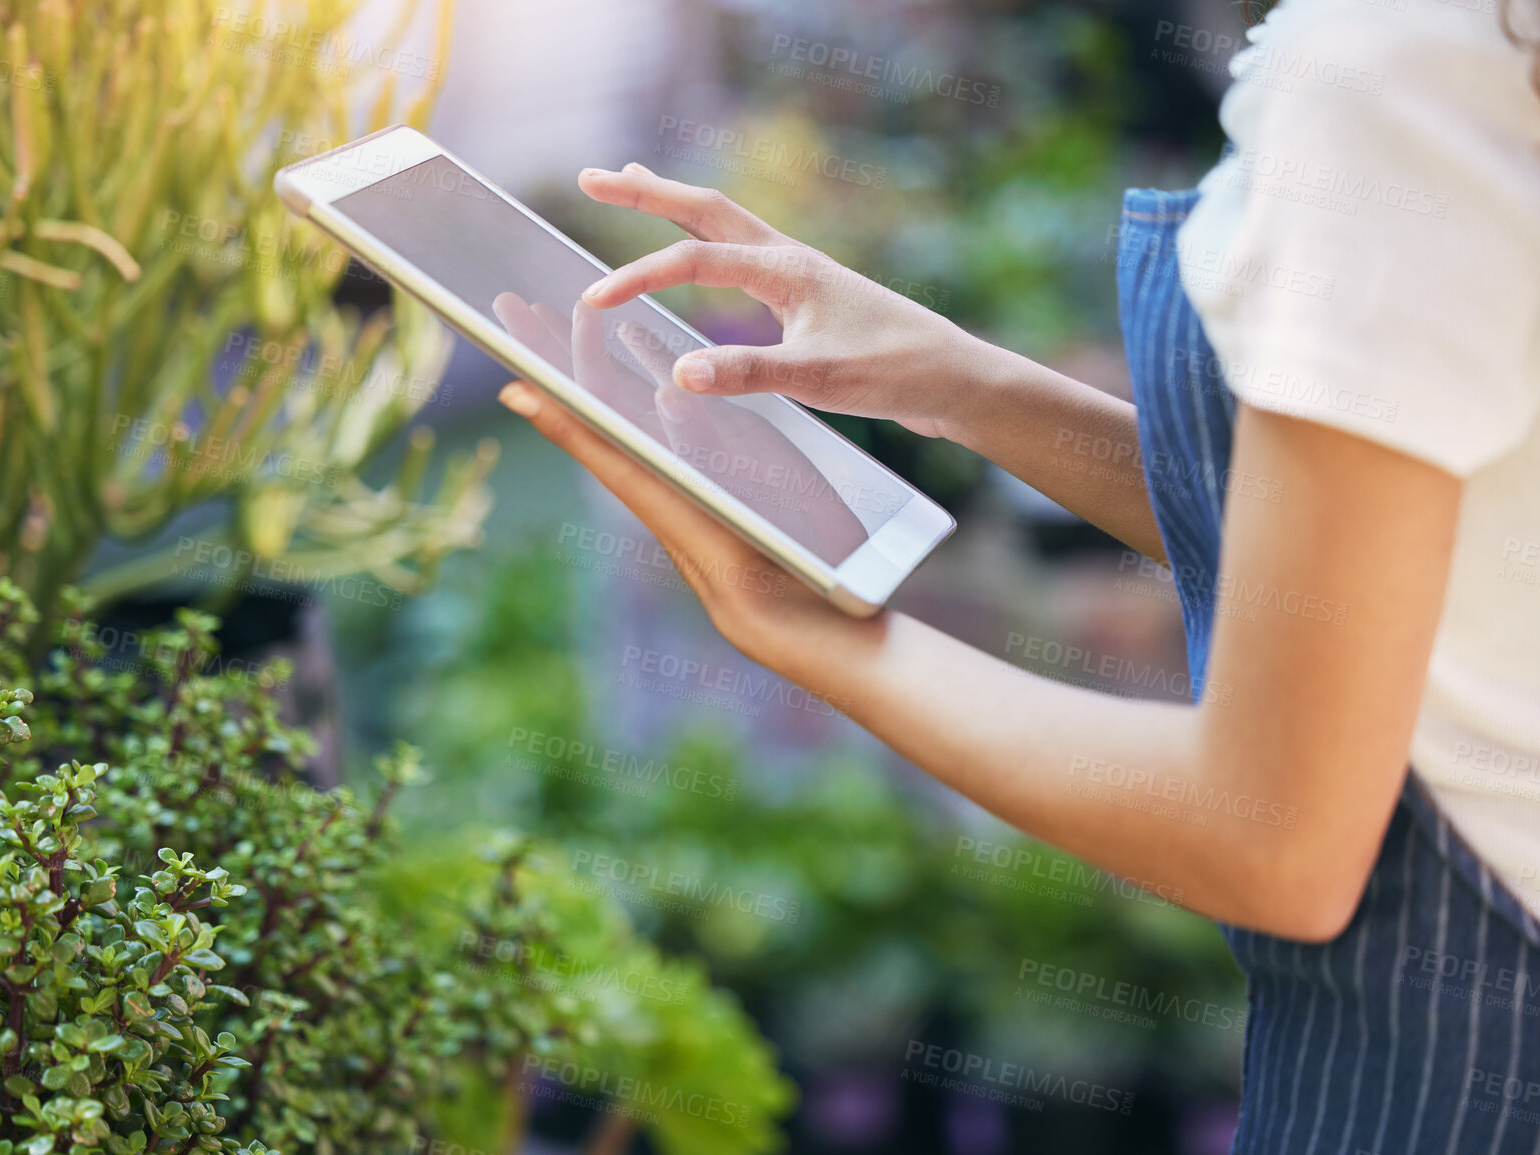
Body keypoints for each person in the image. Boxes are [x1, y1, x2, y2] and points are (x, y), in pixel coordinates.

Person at [496, 0, 1540, 1145]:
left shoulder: (1384, 76)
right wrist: (963, 387)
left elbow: (1275, 836)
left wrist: (814, 630)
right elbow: (1411, 558)